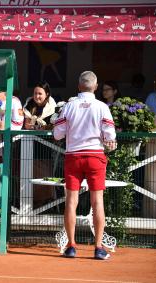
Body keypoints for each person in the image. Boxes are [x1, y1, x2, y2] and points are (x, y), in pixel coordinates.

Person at [53, 71, 117, 260]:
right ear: (95, 87)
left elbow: (57, 134)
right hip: (95, 156)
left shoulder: (69, 106)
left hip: (73, 156)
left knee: (71, 201)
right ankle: (98, 248)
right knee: (97, 201)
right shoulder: (102, 107)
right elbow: (110, 136)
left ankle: (71, 246)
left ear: (79, 86)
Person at [143, 69, 156, 218]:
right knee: (152, 179)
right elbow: (145, 120)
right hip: (154, 141)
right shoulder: (151, 98)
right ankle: (153, 217)